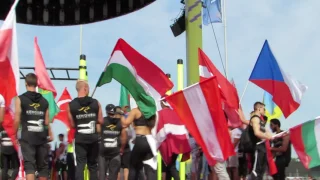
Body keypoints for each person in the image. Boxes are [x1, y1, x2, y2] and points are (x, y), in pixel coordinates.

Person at [14, 73, 53, 180]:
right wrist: (50, 133)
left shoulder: (20, 99)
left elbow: (17, 119)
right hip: (41, 137)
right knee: (43, 167)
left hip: (27, 137)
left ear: (26, 83)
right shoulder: (44, 101)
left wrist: (14, 135)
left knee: (29, 165)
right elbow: (46, 121)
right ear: (36, 84)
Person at [67, 80, 103, 180]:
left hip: (80, 139)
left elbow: (72, 125)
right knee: (93, 166)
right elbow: (100, 120)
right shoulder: (96, 103)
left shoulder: (70, 105)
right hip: (93, 139)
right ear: (85, 88)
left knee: (80, 166)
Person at [121, 107, 157, 180]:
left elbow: (125, 124)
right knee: (150, 168)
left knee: (133, 167)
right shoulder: (152, 111)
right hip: (150, 140)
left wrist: (121, 113)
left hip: (140, 139)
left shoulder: (135, 111)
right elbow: (153, 125)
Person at [99, 105, 127, 180]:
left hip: (103, 153)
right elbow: (124, 137)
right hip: (115, 152)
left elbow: (97, 131)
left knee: (102, 175)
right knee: (113, 176)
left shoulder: (102, 121)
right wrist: (122, 148)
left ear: (106, 112)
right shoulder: (120, 122)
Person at [248, 102, 273, 180]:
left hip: (263, 148)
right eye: (263, 109)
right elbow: (257, 132)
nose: (265, 111)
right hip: (257, 147)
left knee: (261, 171)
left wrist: (270, 135)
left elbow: (265, 132)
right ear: (259, 109)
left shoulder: (261, 120)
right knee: (256, 171)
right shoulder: (255, 118)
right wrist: (267, 136)